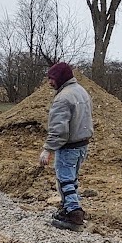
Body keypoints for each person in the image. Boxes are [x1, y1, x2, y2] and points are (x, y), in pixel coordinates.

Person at [38, 62, 93, 231]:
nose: (49, 82)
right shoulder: (81, 92)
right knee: (72, 179)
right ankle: (67, 208)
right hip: (82, 145)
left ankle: (74, 215)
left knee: (65, 180)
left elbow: (59, 130)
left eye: (52, 78)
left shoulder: (63, 98)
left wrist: (48, 150)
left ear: (61, 78)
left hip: (68, 147)